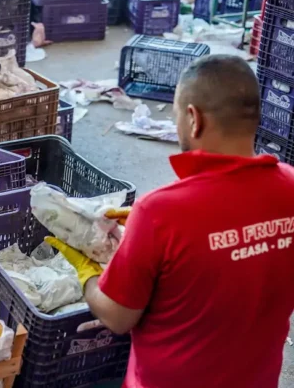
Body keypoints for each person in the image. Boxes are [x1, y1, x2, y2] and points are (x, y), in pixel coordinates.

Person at [49, 55, 294, 388]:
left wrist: (87, 272)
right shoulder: (289, 186)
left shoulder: (160, 213)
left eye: (176, 115)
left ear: (193, 119)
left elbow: (117, 317)